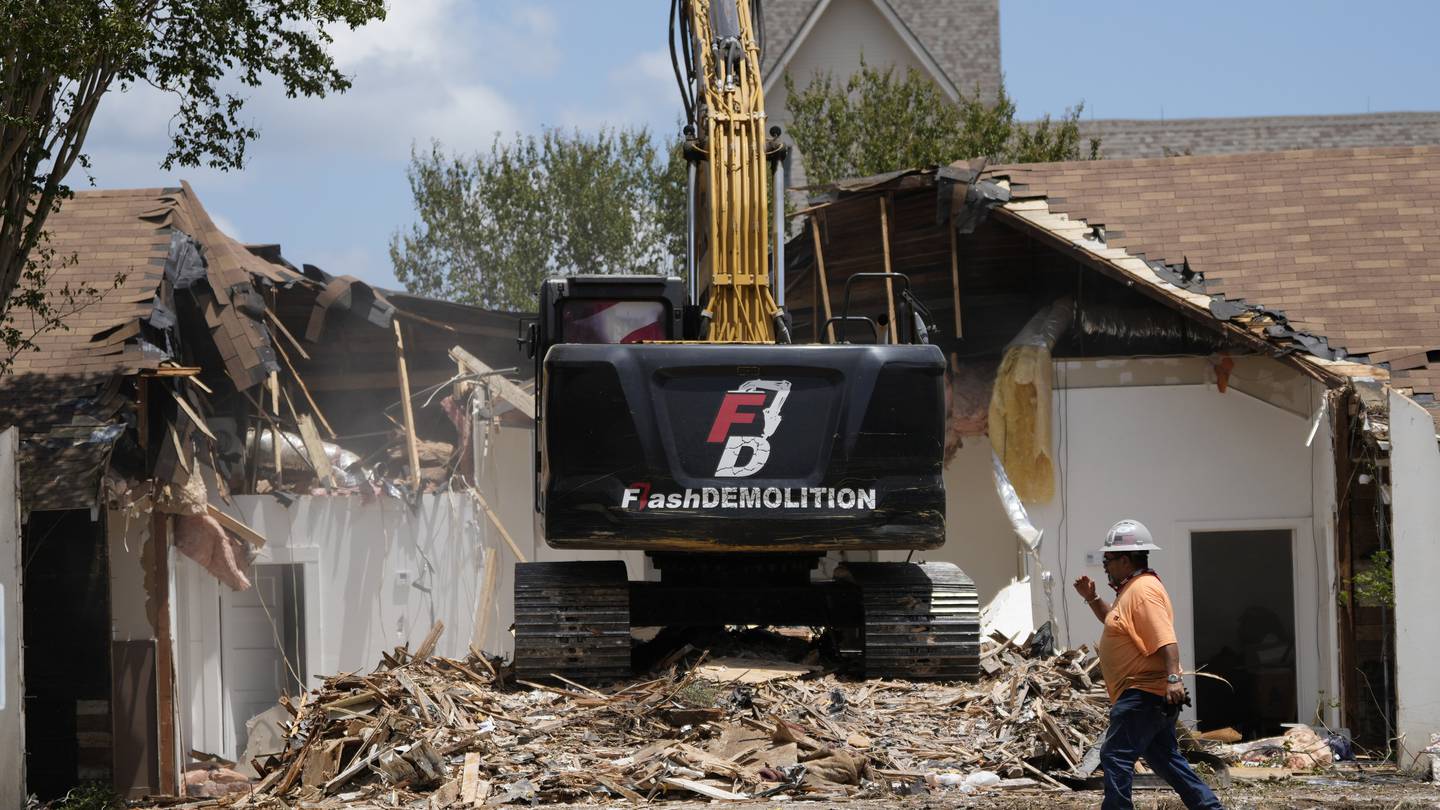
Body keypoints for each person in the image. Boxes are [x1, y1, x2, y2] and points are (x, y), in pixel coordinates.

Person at [1073, 519, 1224, 810]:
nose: (1105, 565)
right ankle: (1209, 807)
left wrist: (1173, 680)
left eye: (1109, 559)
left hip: (1143, 692)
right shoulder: (1131, 590)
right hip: (1148, 693)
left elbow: (1165, 638)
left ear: (1125, 560)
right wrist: (1091, 598)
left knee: (1115, 755)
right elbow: (1114, 624)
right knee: (1165, 759)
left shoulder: (1143, 591)